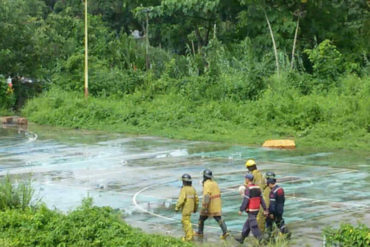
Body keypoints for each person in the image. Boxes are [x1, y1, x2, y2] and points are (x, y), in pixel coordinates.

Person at [194, 169, 229, 239]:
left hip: (210, 205)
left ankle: (200, 232)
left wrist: (204, 207)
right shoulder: (215, 183)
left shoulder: (207, 184)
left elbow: (206, 196)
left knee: (201, 218)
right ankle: (225, 232)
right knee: (219, 218)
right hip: (217, 204)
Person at [235, 173, 268, 244]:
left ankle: (261, 240)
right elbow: (261, 199)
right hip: (256, 209)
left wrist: (241, 209)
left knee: (253, 226)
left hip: (251, 210)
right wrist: (265, 209)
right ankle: (242, 238)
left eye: (245, 178)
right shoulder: (257, 187)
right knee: (247, 225)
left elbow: (246, 200)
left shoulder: (248, 188)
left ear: (247, 179)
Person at [175, 173, 199, 241]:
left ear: (184, 182)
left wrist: (177, 207)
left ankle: (189, 237)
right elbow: (196, 200)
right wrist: (195, 208)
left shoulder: (184, 189)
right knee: (187, 221)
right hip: (191, 209)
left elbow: (181, 200)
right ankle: (189, 234)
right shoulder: (193, 189)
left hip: (185, 209)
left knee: (185, 222)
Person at [245, 159, 266, 232]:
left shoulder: (252, 176)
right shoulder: (260, 174)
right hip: (262, 197)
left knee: (258, 218)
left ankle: (261, 235)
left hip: (256, 199)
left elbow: (248, 186)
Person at [266, 173, 289, 238]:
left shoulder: (273, 192)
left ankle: (270, 238)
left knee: (268, 223)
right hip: (280, 210)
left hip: (275, 211)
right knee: (280, 223)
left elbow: (272, 205)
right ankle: (287, 233)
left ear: (270, 183)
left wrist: (271, 213)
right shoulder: (280, 189)